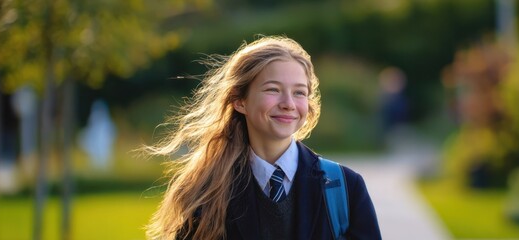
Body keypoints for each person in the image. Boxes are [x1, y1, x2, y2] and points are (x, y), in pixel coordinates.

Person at [144, 36, 381, 240]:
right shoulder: (207, 191)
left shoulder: (345, 187)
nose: (288, 104)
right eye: (273, 90)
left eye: (299, 92)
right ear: (240, 101)